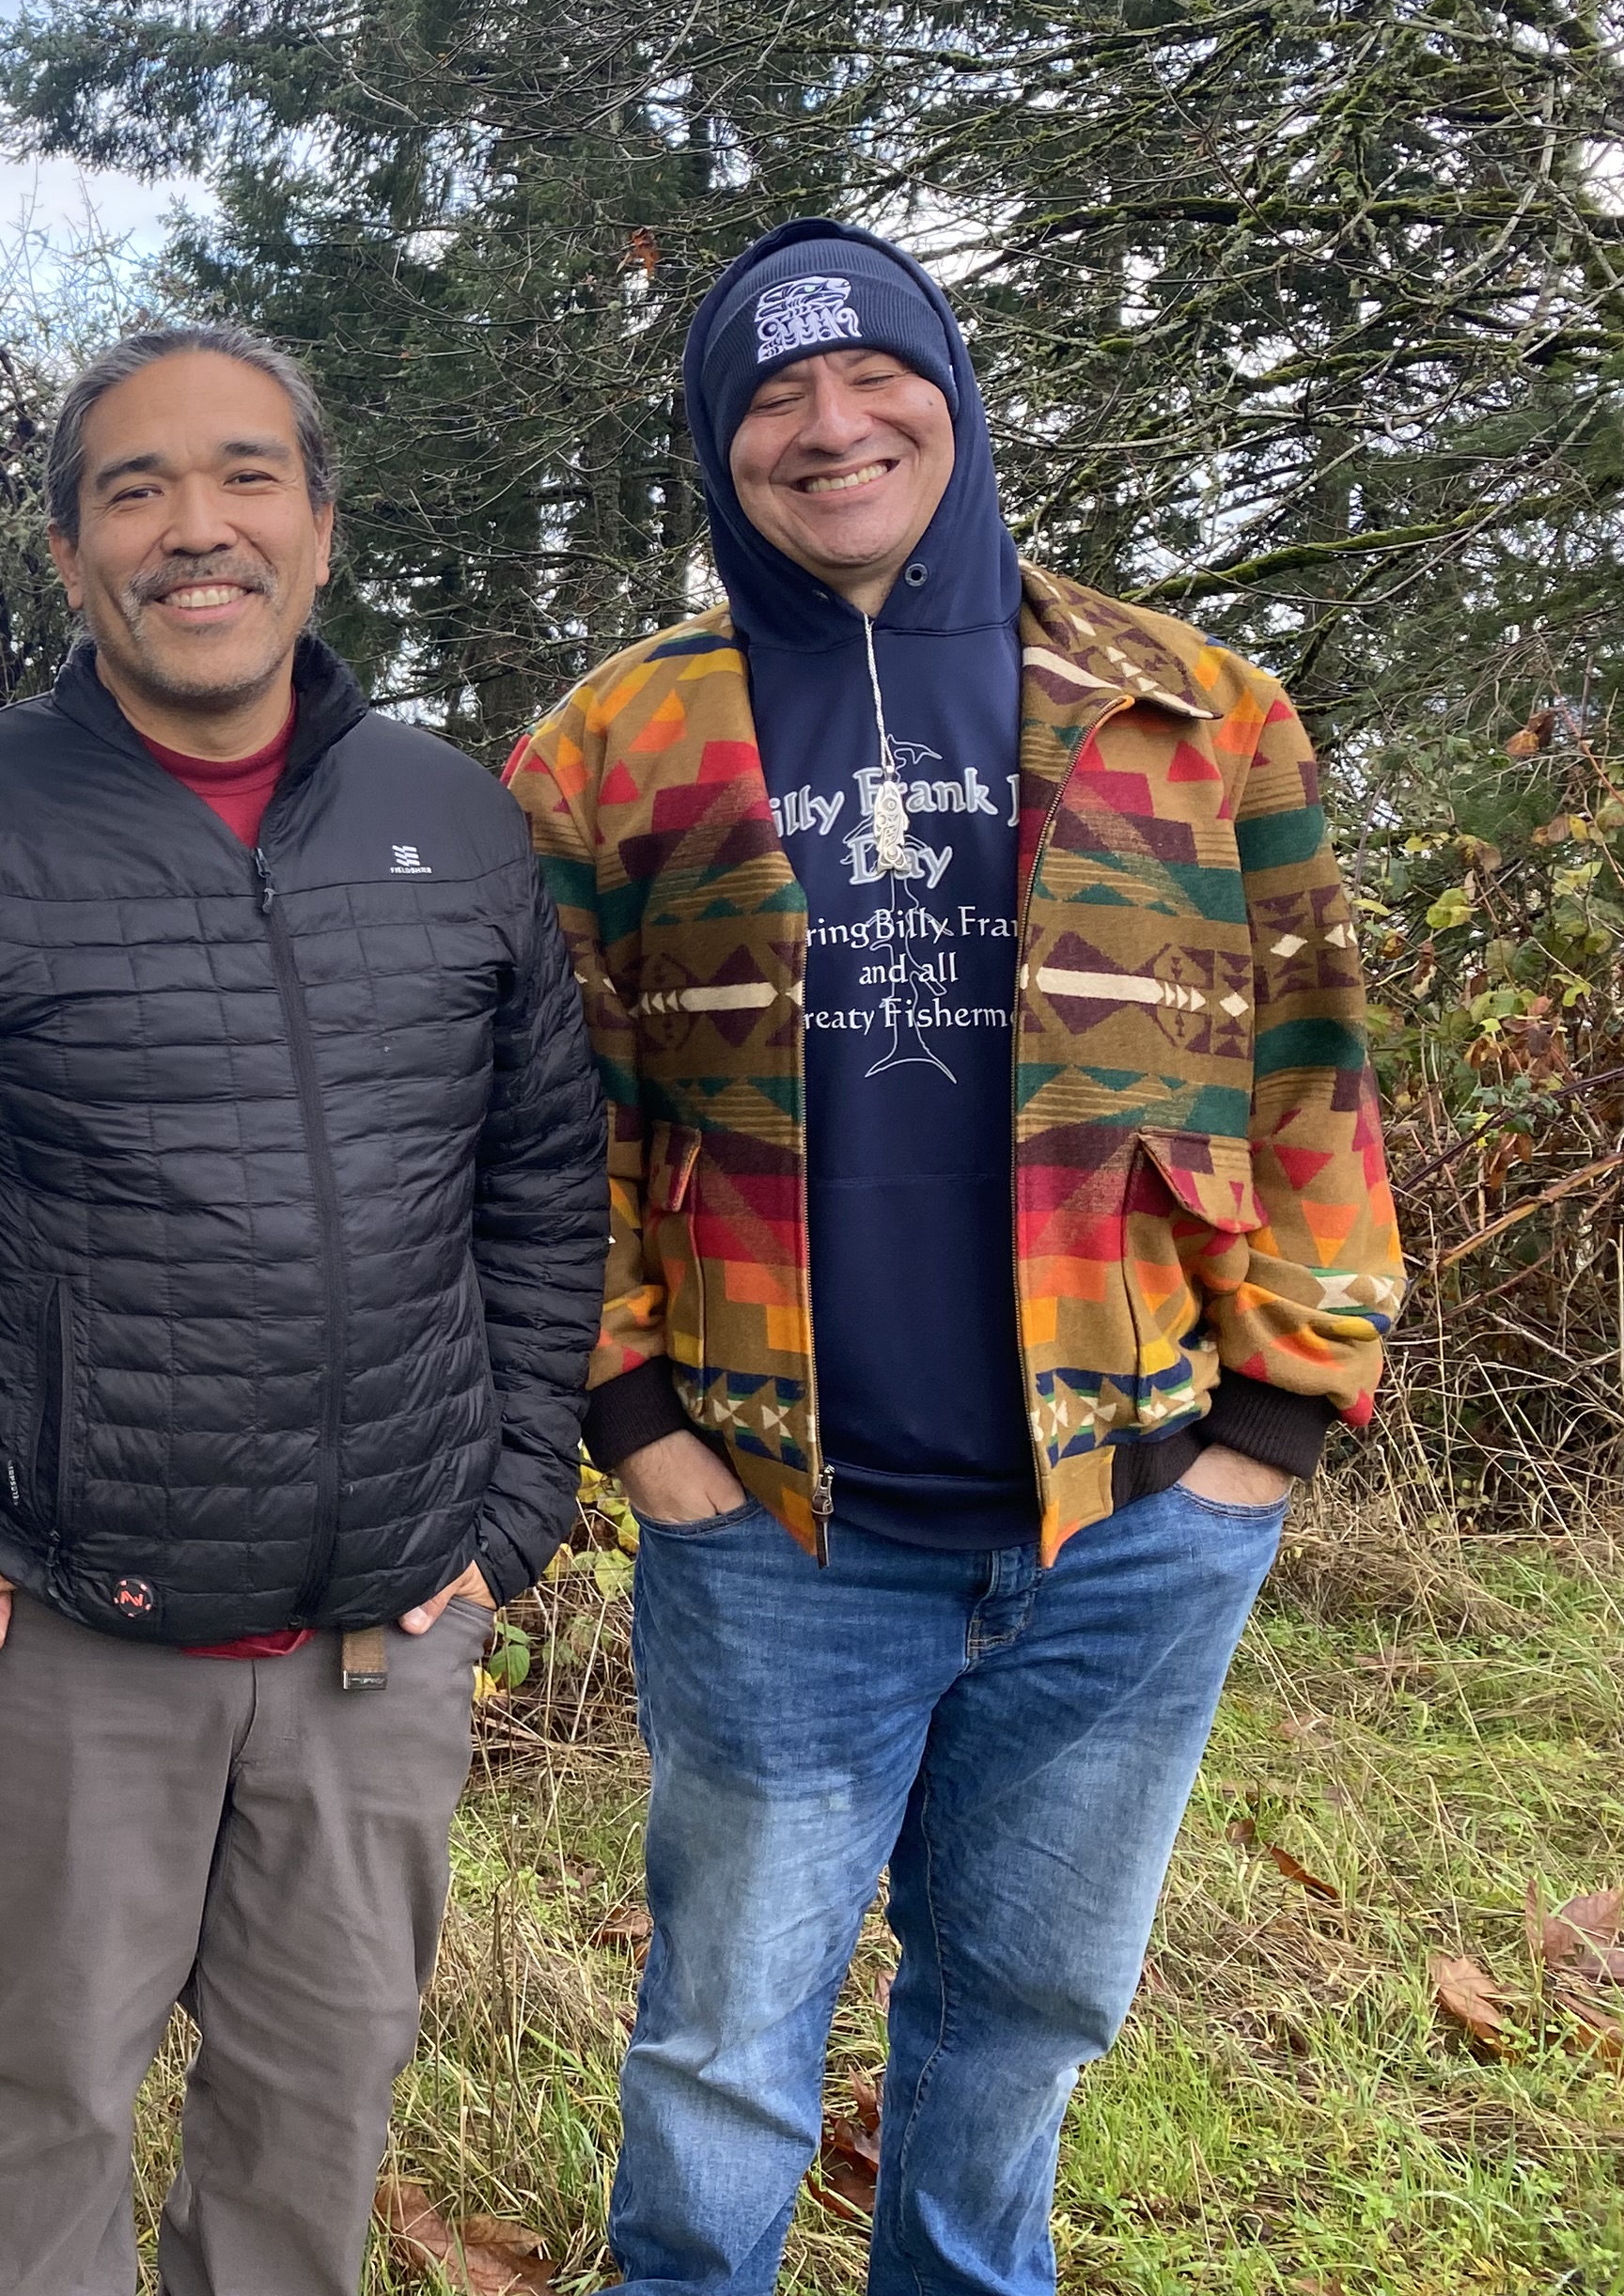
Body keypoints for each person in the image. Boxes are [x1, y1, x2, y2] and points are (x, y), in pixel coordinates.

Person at [504, 222, 1401, 2296]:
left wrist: (1276, 1419)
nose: (830, 428)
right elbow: (550, 1132)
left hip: (1138, 1515)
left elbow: (1313, 1070)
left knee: (1021, 2021)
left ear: (951, 392)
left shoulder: (1196, 711)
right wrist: (636, 1422)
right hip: (781, 1525)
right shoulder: (617, 748)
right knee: (728, 2045)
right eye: (769, 400)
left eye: (872, 377)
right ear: (720, 453)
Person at [0, 321, 605, 2296]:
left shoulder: (451, 825)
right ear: (72, 553)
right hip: (59, 1627)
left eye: (245, 476)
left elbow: (540, 1185)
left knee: (323, 2094)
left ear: (322, 528)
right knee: (46, 2098)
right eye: (137, 489)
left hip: (382, 1633)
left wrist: (514, 1498)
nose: (199, 528)